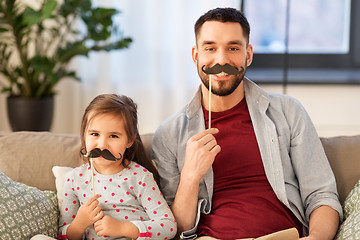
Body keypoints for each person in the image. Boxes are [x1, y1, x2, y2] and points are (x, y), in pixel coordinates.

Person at [151, 7, 343, 240]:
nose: (221, 60)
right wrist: (190, 176)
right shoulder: (168, 135)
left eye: (233, 48)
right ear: (196, 56)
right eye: (210, 48)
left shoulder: (288, 112)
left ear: (248, 55)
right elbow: (177, 229)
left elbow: (322, 196)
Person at [59, 94, 176, 240]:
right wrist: (79, 224)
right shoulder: (73, 180)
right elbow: (62, 234)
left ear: (129, 140)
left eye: (113, 136)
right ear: (84, 135)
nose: (102, 145)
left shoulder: (140, 177)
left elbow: (168, 226)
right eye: (95, 134)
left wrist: (123, 228)